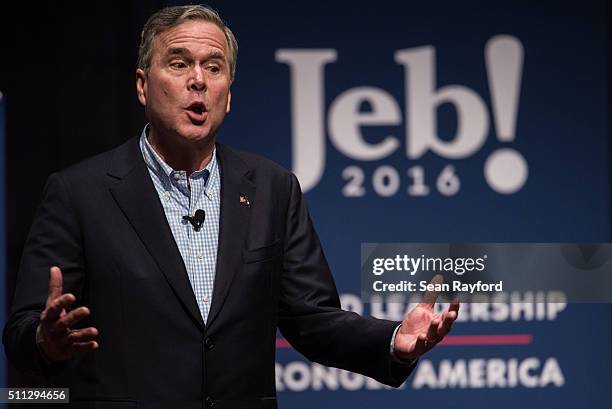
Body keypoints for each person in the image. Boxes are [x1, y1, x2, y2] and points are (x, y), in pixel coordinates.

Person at [3, 5, 459, 409]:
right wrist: (45, 342)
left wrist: (394, 340)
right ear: (143, 86)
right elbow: (22, 332)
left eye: (213, 67)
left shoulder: (272, 189)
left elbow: (313, 318)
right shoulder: (79, 192)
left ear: (229, 94)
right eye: (179, 63)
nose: (197, 80)